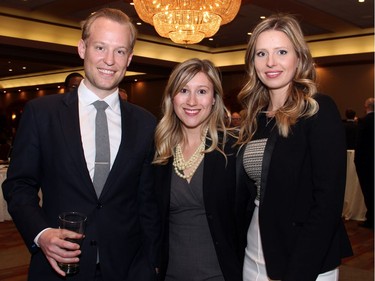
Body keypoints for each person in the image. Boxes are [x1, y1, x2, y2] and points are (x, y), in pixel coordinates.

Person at [2, 8, 160, 281]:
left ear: (129, 58)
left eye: (120, 51)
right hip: (59, 268)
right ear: (82, 48)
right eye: (100, 47)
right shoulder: (42, 114)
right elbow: (18, 185)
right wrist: (41, 234)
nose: (109, 60)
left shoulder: (146, 123)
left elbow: (147, 203)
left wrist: (152, 266)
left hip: (126, 269)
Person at [235, 14, 353, 281]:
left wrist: (300, 271)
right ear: (253, 63)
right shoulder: (255, 118)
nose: (271, 62)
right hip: (254, 251)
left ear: (299, 58)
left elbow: (327, 203)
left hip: (303, 257)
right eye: (261, 53)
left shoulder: (318, 110)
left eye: (281, 52)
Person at [153, 58, 243, 281]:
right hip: (169, 274)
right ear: (171, 97)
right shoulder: (158, 150)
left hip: (222, 274)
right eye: (183, 90)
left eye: (202, 91)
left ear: (214, 99)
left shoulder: (234, 148)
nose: (192, 101)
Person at [354, 97, 374, 229]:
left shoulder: (363, 121)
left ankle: (371, 219)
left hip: (366, 162)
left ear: (366, 106)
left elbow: (358, 143)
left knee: (368, 190)